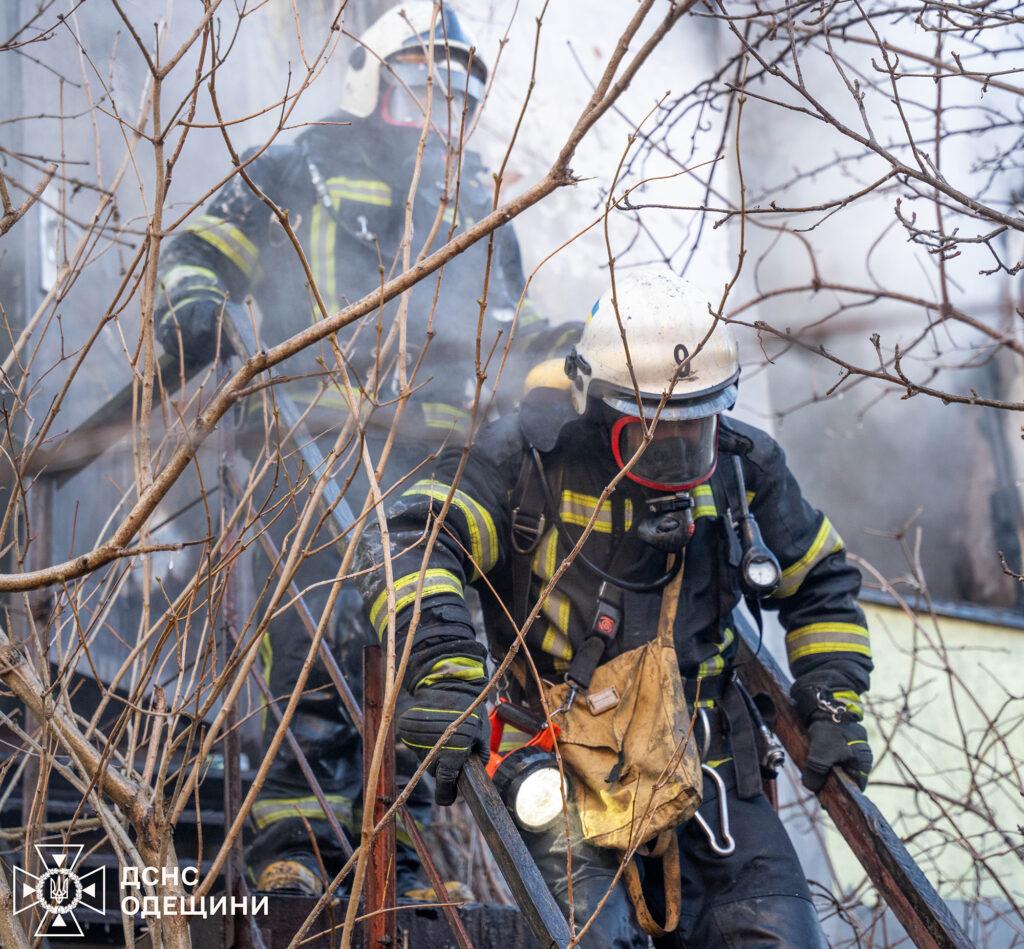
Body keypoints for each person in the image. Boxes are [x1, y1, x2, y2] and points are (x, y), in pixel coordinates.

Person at [154, 2, 573, 896]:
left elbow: (516, 329)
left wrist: (561, 362)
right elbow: (198, 250)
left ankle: (401, 849)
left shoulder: (478, 213)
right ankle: (291, 846)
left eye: (460, 100)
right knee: (307, 642)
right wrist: (196, 311)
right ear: (370, 83)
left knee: (424, 651)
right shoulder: (299, 165)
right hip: (314, 449)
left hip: (436, 469)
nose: (444, 117)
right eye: (427, 89)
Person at [355, 268, 875, 947]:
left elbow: (823, 578)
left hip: (710, 766)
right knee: (594, 937)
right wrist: (446, 669)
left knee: (777, 931)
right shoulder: (525, 460)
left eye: (696, 428)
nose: (680, 453)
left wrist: (834, 699)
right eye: (652, 432)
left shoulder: (746, 466)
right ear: (594, 402)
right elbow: (407, 543)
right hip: (558, 763)